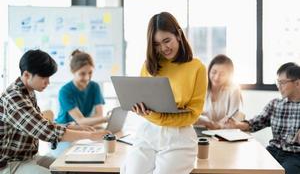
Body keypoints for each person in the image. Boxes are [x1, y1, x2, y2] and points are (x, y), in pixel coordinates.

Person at [121, 12, 207, 174]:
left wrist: (157, 117)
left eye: (167, 40)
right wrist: (141, 110)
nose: (163, 48)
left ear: (179, 35)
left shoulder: (197, 68)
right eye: (156, 44)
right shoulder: (149, 66)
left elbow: (193, 114)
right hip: (148, 133)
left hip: (179, 137)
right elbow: (144, 104)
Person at [0, 49, 109, 174]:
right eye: (43, 77)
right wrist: (89, 136)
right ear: (26, 75)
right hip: (10, 164)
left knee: (70, 169)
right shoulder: (14, 98)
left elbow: (44, 124)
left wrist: (77, 128)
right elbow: (46, 131)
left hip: (28, 158)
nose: (48, 82)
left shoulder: (28, 91)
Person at [225, 62, 300, 174]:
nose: (278, 86)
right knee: (251, 168)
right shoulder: (275, 104)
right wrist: (237, 125)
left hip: (295, 156)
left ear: (297, 83)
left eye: (282, 82)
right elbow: (257, 122)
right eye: (277, 82)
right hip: (273, 151)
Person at [55, 50, 107, 126]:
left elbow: (99, 116)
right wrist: (107, 118)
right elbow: (81, 120)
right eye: (82, 74)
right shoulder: (65, 91)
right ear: (73, 71)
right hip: (65, 129)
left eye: (90, 73)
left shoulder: (95, 87)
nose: (87, 78)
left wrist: (85, 122)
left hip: (84, 127)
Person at [194, 54, 243, 129]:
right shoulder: (200, 87)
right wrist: (209, 122)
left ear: (229, 75)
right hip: (201, 130)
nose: (217, 77)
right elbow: (193, 115)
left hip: (225, 132)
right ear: (208, 71)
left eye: (222, 74)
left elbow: (232, 119)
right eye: (214, 72)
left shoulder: (234, 89)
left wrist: (217, 125)